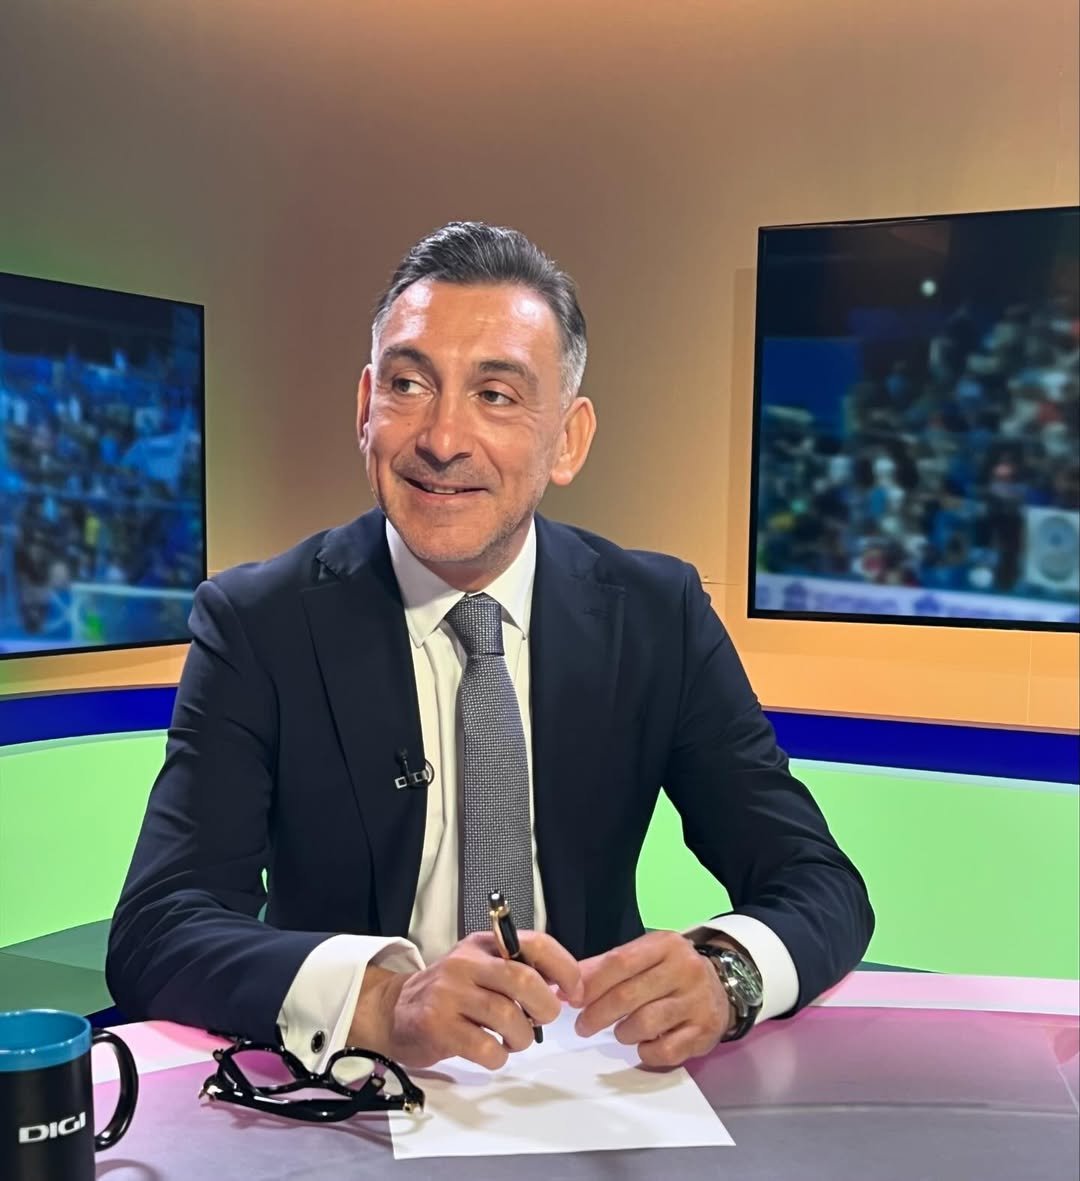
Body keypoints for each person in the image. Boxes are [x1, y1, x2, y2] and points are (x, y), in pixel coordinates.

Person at [107, 222, 873, 1075]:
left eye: (496, 395)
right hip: (351, 1095)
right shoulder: (259, 623)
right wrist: (382, 1002)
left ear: (568, 439)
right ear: (365, 409)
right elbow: (157, 929)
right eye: (408, 385)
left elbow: (819, 882)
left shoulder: (659, 615)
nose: (442, 439)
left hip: (595, 1084)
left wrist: (728, 972)